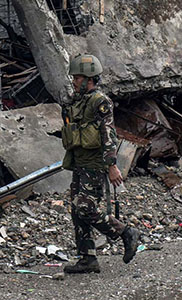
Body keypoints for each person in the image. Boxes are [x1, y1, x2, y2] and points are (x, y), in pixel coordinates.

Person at [60, 53, 140, 274]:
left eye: (77, 78)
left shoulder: (100, 101)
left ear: (89, 78)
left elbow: (108, 135)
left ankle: (125, 232)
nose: (74, 82)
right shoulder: (77, 101)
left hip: (95, 164)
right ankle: (87, 258)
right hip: (79, 162)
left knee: (85, 207)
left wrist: (111, 165)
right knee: (77, 211)